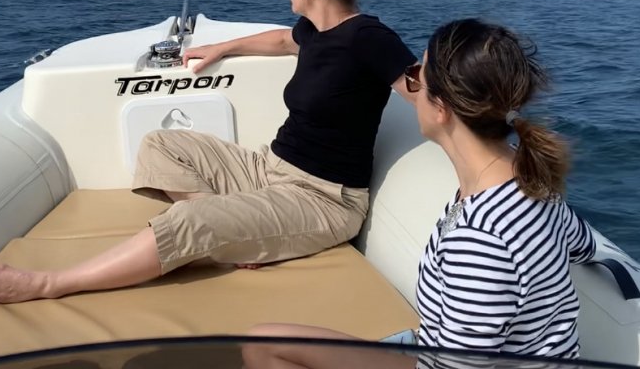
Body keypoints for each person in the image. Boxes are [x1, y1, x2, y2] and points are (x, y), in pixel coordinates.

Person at [0, 0, 417, 303]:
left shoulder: (369, 37)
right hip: (270, 168)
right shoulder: (315, 30)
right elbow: (284, 41)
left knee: (188, 221)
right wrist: (223, 47)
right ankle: (232, 231)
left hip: (322, 198)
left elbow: (418, 89)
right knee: (159, 144)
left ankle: (50, 284)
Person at [243, 19, 598, 367]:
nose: (411, 87)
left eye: (417, 77)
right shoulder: (531, 181)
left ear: (441, 109)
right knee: (265, 343)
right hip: (435, 347)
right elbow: (582, 245)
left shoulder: (480, 238)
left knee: (263, 350)